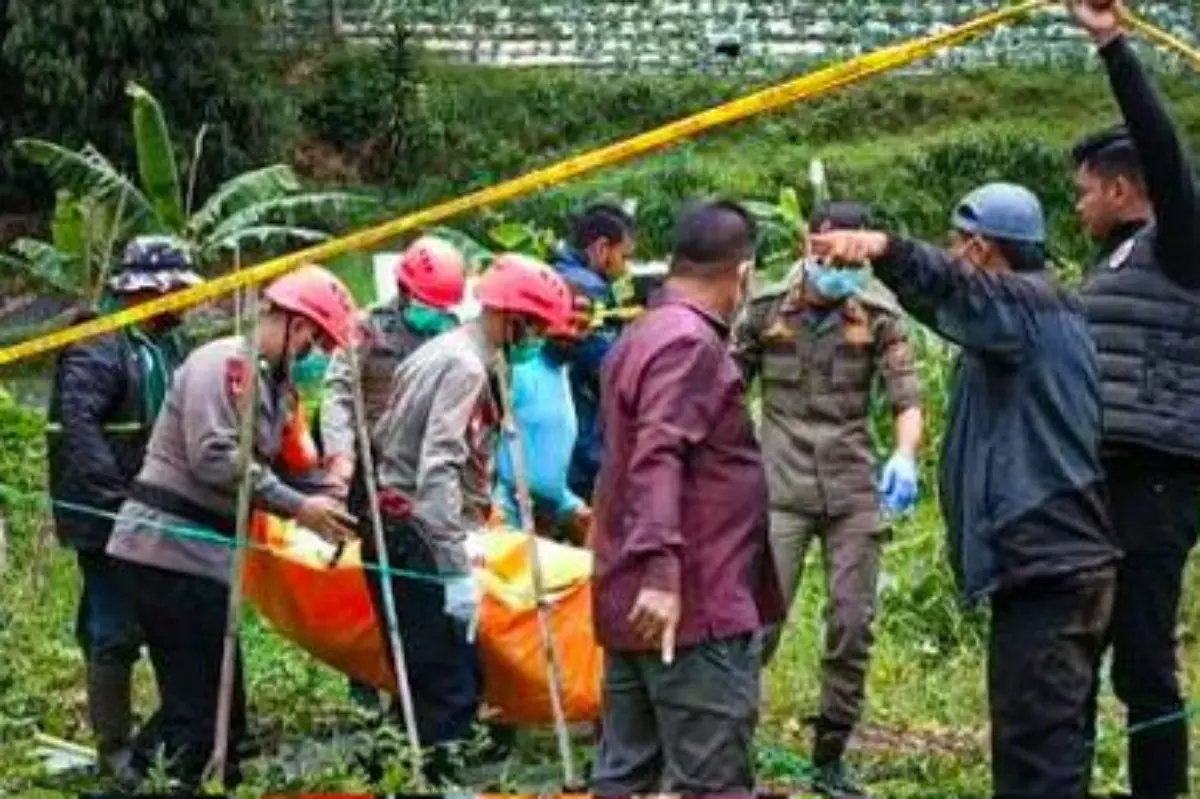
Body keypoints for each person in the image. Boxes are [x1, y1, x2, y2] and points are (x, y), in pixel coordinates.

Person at [809, 183, 1120, 799]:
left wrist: (884, 248)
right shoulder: (1035, 316)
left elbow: (951, 289)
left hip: (1049, 567)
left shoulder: (1025, 310)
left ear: (980, 250)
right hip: (1053, 565)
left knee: (1039, 761)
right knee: (1044, 745)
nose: (952, 256)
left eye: (957, 246)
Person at [104, 265, 360, 789]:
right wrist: (299, 507)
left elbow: (288, 468)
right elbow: (216, 458)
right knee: (198, 713)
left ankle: (155, 775)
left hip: (204, 559)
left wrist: (331, 494)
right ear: (290, 322)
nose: (312, 350)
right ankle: (145, 782)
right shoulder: (226, 364)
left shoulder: (274, 387)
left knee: (222, 711)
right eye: (312, 336)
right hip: (167, 552)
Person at [590, 199, 784, 795]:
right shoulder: (690, 345)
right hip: (689, 607)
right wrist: (662, 573)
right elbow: (657, 455)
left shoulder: (641, 334)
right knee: (712, 781)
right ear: (743, 274)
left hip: (637, 599)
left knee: (625, 775)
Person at [732, 200, 923, 796]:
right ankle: (725, 750)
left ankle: (829, 760)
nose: (840, 268)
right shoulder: (764, 309)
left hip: (852, 489)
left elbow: (906, 399)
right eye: (830, 256)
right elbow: (722, 391)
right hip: (779, 489)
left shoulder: (877, 311)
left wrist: (906, 455)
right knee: (756, 626)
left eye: (850, 257)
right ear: (809, 246)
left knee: (851, 625)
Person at [362, 254, 574, 783]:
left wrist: (478, 509)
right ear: (513, 316)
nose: (539, 337)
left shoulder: (446, 351)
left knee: (429, 673)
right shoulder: (463, 365)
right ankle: (435, 783)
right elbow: (436, 468)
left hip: (402, 524)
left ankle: (396, 775)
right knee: (447, 682)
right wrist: (454, 565)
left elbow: (397, 439)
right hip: (416, 533)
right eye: (537, 325)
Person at [1068, 3, 1200, 796]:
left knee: (1146, 659)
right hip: (1102, 475)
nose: (1077, 203)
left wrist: (1113, 45)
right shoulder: (1113, 260)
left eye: (1086, 191)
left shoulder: (1182, 244)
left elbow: (1165, 149)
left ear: (1124, 188)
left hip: (1158, 478)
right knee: (1083, 643)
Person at [45, 236, 203, 784]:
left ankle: (166, 735)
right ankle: (114, 748)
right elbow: (79, 432)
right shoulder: (98, 345)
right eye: (177, 290)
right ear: (149, 291)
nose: (184, 300)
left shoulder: (168, 343)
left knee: (162, 616)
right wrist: (120, 501)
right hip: (105, 512)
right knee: (113, 624)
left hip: (156, 509)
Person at [319, 234, 466, 710]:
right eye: (426, 304)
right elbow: (339, 394)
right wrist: (340, 458)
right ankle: (372, 681)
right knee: (383, 584)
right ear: (403, 292)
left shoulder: (450, 334)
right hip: (373, 471)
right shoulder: (367, 328)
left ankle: (425, 693)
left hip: (431, 470)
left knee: (428, 588)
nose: (433, 314)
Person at [552, 202, 637, 501]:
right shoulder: (589, 289)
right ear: (602, 248)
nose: (626, 268)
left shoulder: (555, 274)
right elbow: (611, 368)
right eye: (624, 257)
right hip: (580, 441)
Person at [493, 292, 593, 543]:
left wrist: (568, 503)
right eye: (568, 322)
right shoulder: (518, 371)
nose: (573, 333)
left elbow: (546, 457)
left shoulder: (563, 375)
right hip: (509, 513)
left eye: (582, 327)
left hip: (551, 507)